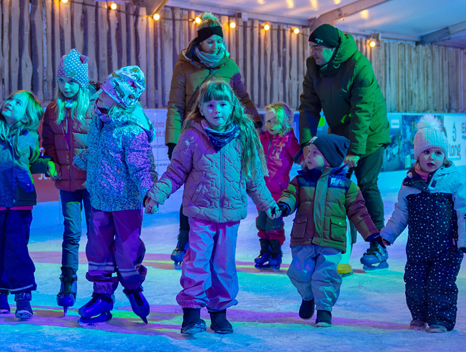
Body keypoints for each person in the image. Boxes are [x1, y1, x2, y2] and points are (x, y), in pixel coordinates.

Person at [146, 79, 279, 335]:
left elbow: (253, 178)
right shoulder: (192, 137)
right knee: (197, 261)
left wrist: (268, 205)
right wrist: (156, 196)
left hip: (230, 215)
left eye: (222, 104)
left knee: (224, 264)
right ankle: (192, 313)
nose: (216, 110)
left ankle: (219, 313)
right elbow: (175, 173)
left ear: (232, 107)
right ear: (202, 108)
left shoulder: (243, 137)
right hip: (200, 213)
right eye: (210, 104)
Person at [165, 13, 261, 268]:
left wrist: (256, 123)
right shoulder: (184, 67)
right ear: (200, 43)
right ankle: (183, 240)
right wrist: (173, 140)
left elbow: (242, 98)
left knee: (215, 186)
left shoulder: (230, 67)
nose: (216, 46)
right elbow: (175, 105)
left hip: (225, 136)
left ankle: (218, 246)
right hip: (192, 136)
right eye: (211, 42)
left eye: (220, 41)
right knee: (193, 190)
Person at [299, 24, 390, 272]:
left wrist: (354, 151)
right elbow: (308, 105)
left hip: (369, 135)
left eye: (317, 48)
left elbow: (363, 111)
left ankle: (377, 245)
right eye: (312, 47)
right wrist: (307, 144)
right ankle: (339, 247)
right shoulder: (313, 67)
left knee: (366, 185)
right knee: (336, 190)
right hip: (339, 135)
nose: (313, 52)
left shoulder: (359, 65)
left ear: (332, 48)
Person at [74, 66, 156, 325]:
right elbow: (100, 152)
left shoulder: (132, 129)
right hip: (99, 198)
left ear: (120, 99)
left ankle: (133, 288)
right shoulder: (100, 118)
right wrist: (84, 159)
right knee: (97, 248)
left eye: (107, 92)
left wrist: (148, 193)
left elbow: (141, 166)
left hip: (125, 202)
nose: (100, 94)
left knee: (126, 250)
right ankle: (102, 296)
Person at [276, 134, 381, 328]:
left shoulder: (346, 186)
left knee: (325, 276)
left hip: (331, 239)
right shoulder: (300, 181)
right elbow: (289, 196)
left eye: (315, 153)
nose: (309, 156)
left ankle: (324, 310)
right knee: (298, 272)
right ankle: (308, 297)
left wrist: (372, 234)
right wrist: (283, 206)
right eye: (309, 152)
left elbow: (359, 212)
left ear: (330, 158)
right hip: (304, 237)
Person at [0, 91, 54, 320]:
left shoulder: (30, 136)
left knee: (16, 248)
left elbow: (33, 161)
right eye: (10, 98)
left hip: (20, 203)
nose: (10, 103)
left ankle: (23, 295)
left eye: (18, 103)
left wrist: (48, 166)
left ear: (26, 116)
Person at [380, 115, 466, 333]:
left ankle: (440, 320)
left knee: (441, 285)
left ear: (444, 155)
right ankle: (418, 316)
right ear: (417, 154)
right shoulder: (409, 183)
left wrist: (463, 240)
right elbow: (401, 213)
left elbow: (463, 212)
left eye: (438, 153)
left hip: (447, 247)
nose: (432, 157)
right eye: (426, 152)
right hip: (418, 247)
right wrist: (388, 234)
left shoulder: (453, 179)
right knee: (415, 284)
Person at [41, 49, 95, 313]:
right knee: (71, 234)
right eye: (62, 81)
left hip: (94, 185)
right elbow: (48, 144)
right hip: (68, 184)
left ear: (82, 83)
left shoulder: (95, 109)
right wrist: (51, 163)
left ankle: (100, 284)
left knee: (97, 234)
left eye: (72, 81)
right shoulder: (52, 110)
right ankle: (68, 282)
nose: (66, 86)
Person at [254, 103, 301, 270]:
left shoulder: (288, 140)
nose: (271, 126)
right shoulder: (262, 138)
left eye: (276, 122)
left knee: (274, 222)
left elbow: (300, 158)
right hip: (261, 191)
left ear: (285, 122)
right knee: (261, 222)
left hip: (278, 191)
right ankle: (264, 250)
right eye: (269, 121)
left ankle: (276, 252)